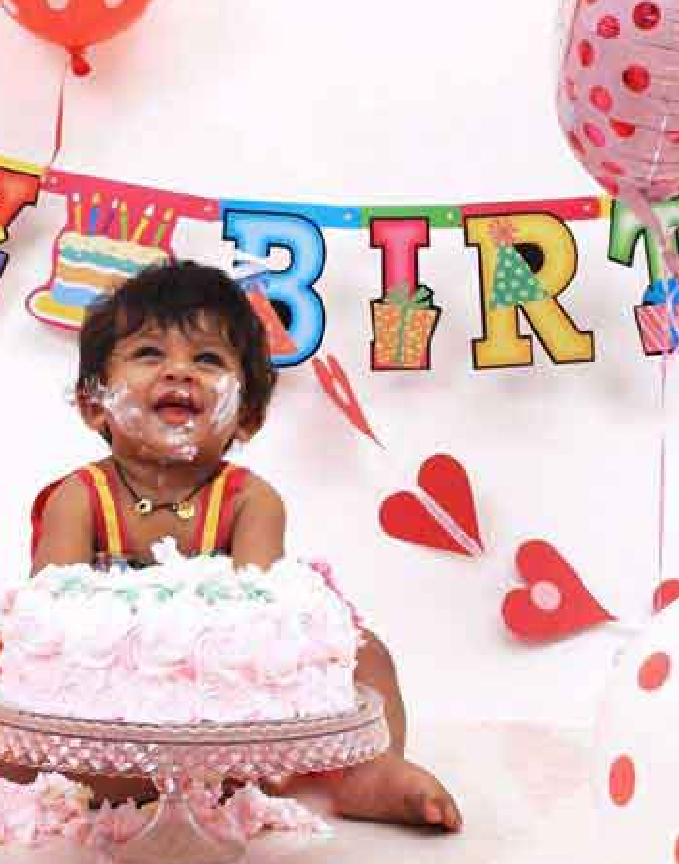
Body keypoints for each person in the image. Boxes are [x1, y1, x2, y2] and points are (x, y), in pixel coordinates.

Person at [26, 259, 462, 831]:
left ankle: (370, 770)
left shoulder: (250, 500)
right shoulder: (80, 498)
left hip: (222, 695)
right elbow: (51, 615)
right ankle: (127, 786)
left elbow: (258, 617)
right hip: (108, 703)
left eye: (208, 359)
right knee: (11, 722)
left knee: (367, 652)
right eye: (149, 353)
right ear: (94, 402)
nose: (179, 371)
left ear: (248, 416)